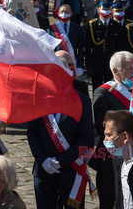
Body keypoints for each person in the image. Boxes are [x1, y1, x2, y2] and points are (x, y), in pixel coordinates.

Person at [27, 63, 94, 209]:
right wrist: (42, 159)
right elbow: (32, 132)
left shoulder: (82, 101)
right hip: (43, 170)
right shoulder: (38, 98)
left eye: (65, 67)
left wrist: (60, 160)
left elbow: (86, 137)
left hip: (71, 169)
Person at [91, 51, 133, 209]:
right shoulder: (103, 93)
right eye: (128, 68)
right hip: (112, 158)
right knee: (111, 200)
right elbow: (101, 127)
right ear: (115, 70)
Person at [84, 1, 123, 89]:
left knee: (110, 88)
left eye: (108, 9)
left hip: (111, 63)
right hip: (96, 63)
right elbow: (87, 48)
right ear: (98, 10)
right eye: (103, 9)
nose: (106, 12)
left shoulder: (116, 25)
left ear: (111, 11)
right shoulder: (92, 25)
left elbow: (119, 47)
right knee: (96, 88)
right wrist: (88, 66)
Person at [48, 4, 84, 76]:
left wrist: (80, 66)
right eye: (62, 12)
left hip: (72, 63)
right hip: (57, 62)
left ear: (71, 14)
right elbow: (49, 48)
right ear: (58, 14)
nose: (64, 14)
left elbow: (81, 49)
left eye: (67, 12)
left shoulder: (78, 28)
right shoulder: (51, 29)